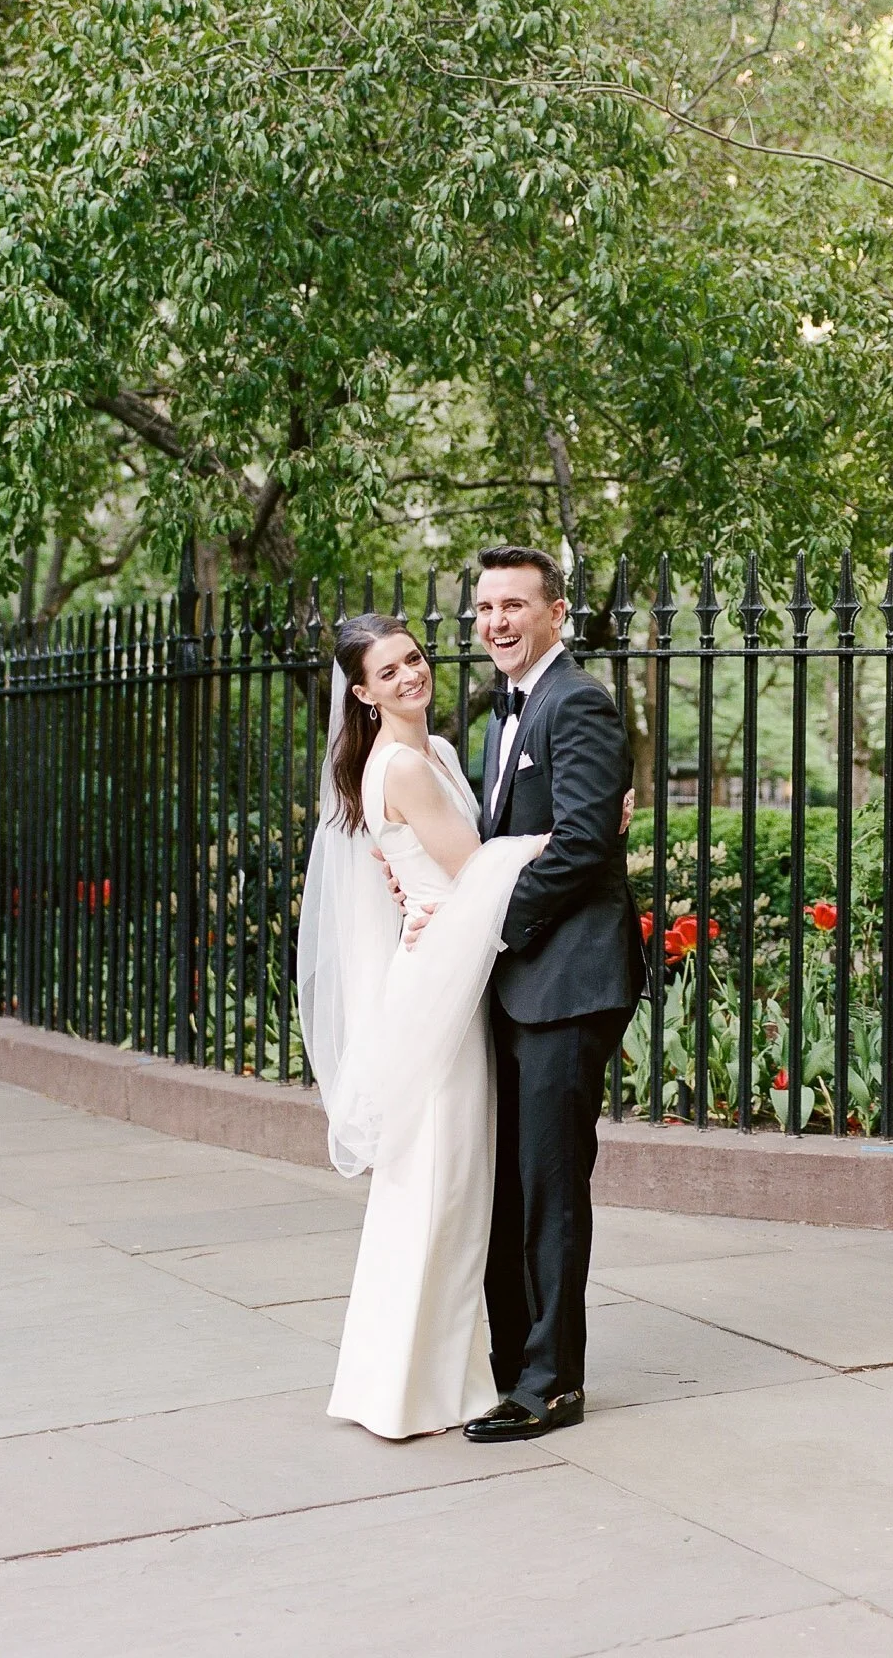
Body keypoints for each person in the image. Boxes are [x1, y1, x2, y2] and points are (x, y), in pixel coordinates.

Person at [404, 546, 646, 1442]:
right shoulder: (506, 715)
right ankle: (511, 1370)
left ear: (557, 614)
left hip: (568, 981)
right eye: (484, 608)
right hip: (512, 982)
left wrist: (485, 922)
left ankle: (551, 1384)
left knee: (547, 1188)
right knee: (502, 1183)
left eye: (514, 605)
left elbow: (584, 846)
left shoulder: (576, 700)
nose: (496, 621)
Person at [297, 613, 546, 1439]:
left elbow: (432, 872)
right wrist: (562, 837)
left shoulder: (431, 753)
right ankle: (413, 1388)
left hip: (447, 962)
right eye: (389, 672)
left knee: (443, 1183)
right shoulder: (400, 764)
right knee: (440, 1180)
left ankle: (420, 1374)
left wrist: (421, 902)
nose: (410, 676)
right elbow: (474, 866)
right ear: (361, 694)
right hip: (438, 981)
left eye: (414, 658)